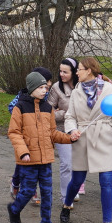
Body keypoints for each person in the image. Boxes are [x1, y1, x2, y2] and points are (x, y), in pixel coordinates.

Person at [59, 57, 112, 223]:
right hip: (83, 138)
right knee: (76, 180)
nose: (76, 72)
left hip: (104, 138)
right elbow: (69, 116)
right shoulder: (76, 91)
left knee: (107, 181)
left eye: (80, 69)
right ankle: (67, 205)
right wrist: (72, 129)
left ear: (89, 71)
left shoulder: (109, 90)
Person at [8, 71, 73, 223]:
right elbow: (14, 133)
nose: (45, 90)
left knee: (47, 194)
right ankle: (14, 209)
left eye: (45, 87)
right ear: (31, 88)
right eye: (41, 87)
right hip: (28, 160)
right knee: (28, 191)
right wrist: (23, 152)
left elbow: (52, 133)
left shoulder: (47, 108)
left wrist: (69, 138)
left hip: (46, 160)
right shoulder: (20, 107)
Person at [47, 58, 79, 203]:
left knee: (78, 164)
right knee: (66, 164)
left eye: (65, 72)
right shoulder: (56, 88)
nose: (61, 74)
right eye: (60, 71)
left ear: (74, 72)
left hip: (80, 131)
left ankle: (74, 189)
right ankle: (66, 197)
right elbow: (49, 112)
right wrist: (65, 114)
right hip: (62, 131)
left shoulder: (82, 86)